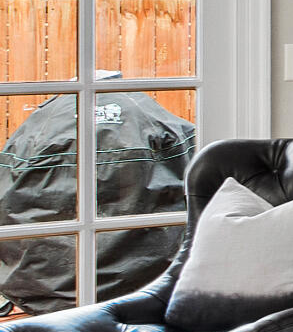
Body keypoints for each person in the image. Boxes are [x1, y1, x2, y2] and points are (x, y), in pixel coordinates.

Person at [0, 90, 194, 310]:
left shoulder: (41, 129)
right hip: (150, 290)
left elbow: (10, 203)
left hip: (48, 294)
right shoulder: (151, 120)